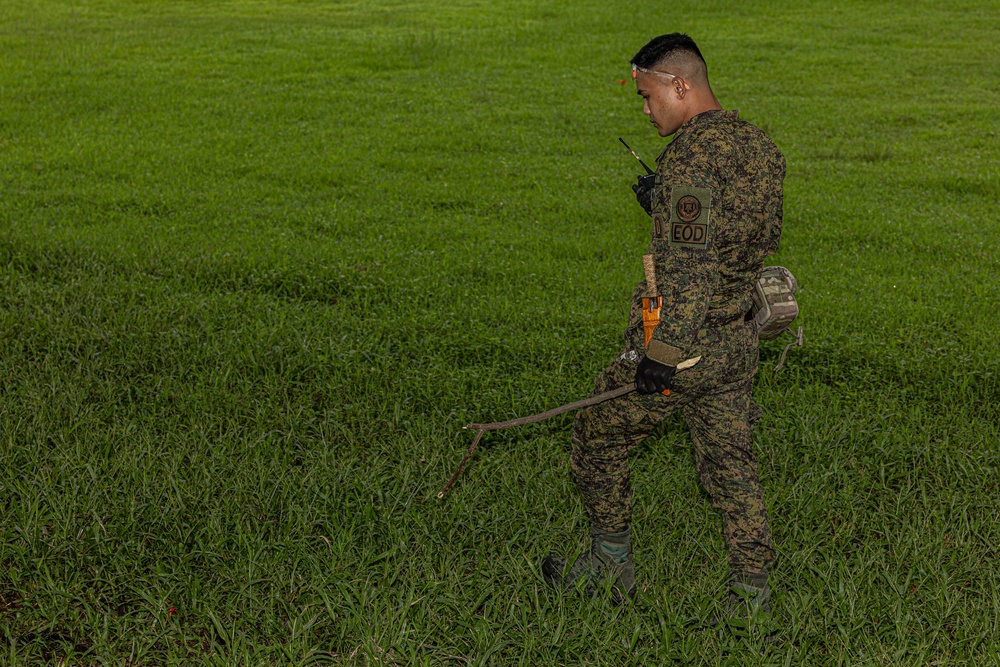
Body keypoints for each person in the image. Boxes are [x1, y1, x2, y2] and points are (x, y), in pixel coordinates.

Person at [542, 33, 785, 626]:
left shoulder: (690, 161)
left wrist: (663, 354)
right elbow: (748, 237)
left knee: (597, 439)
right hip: (736, 340)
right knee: (732, 467)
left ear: (681, 85)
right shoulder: (756, 144)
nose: (646, 110)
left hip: (681, 344)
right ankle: (751, 603)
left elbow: (691, 268)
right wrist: (667, 208)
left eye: (649, 97)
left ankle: (608, 571)